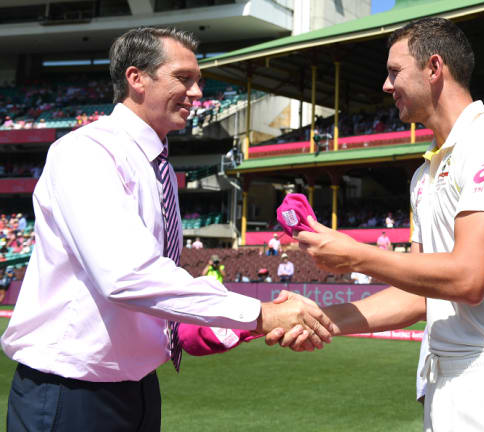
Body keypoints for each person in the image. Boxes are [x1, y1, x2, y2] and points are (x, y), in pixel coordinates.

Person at [1, 27, 336, 432]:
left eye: (199, 81)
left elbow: (147, 277)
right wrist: (258, 313)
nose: (197, 93)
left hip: (136, 389)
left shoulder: (154, 163)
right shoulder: (86, 152)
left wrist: (213, 324)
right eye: (184, 78)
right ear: (136, 78)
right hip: (72, 392)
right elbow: (127, 276)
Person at [290, 17, 484, 430]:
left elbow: (467, 279)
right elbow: (419, 297)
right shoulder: (424, 173)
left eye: (394, 72)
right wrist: (322, 321)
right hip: (448, 376)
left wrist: (357, 257)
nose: (385, 85)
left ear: (434, 68)